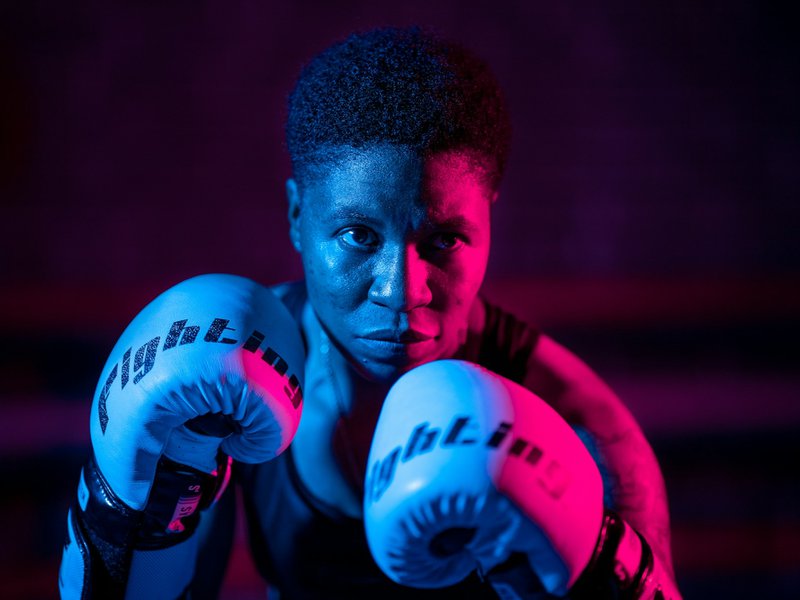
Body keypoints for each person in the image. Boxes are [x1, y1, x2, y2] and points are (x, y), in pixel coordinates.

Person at [59, 27, 682, 599]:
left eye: (443, 239)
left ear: (491, 216)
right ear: (300, 217)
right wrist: (128, 513)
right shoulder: (223, 372)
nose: (402, 289)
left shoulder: (582, 425)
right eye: (358, 235)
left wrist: (593, 569)